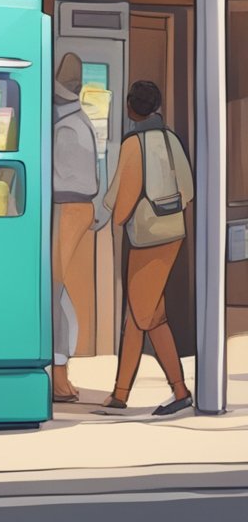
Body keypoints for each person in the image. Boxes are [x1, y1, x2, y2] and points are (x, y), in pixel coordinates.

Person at [101, 81, 195, 416]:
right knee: (146, 314)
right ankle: (121, 394)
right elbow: (187, 189)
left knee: (141, 315)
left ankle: (179, 392)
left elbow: (121, 198)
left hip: (146, 236)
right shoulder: (171, 139)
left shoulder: (133, 143)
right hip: (173, 233)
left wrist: (107, 220)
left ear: (130, 107)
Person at [52, 53, 101, 403]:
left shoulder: (60, 120)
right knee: (57, 293)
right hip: (73, 208)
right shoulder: (75, 120)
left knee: (55, 293)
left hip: (66, 209)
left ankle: (58, 374)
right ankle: (59, 373)